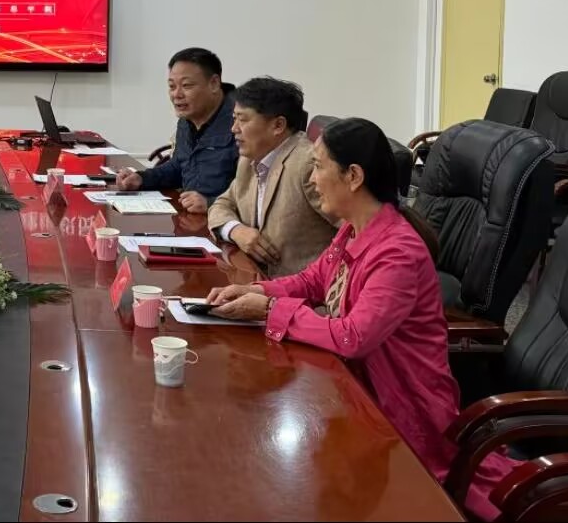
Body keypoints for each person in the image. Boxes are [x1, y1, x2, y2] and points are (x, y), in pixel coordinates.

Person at [205, 117, 517, 521]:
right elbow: (312, 281)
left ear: (353, 176)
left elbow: (354, 337)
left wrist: (269, 312)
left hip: (404, 410)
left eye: (318, 167)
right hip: (356, 389)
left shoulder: (397, 252)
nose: (312, 179)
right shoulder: (355, 229)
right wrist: (256, 290)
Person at [206, 77, 336, 276]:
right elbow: (221, 205)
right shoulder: (249, 158)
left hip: (303, 289)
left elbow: (355, 228)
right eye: (234, 118)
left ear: (278, 125)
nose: (234, 128)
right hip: (254, 280)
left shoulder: (309, 165)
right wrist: (236, 230)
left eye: (243, 119)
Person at [116, 47, 238, 212]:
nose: (177, 95)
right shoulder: (186, 120)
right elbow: (179, 167)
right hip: (190, 219)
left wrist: (210, 203)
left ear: (214, 84)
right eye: (172, 87)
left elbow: (256, 192)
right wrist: (141, 179)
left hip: (226, 222)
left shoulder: (242, 121)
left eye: (186, 85)